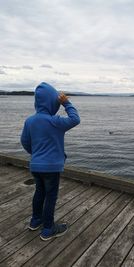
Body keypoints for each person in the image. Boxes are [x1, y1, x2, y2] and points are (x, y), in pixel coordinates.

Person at [21, 82, 80, 241]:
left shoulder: (30, 121)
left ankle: (35, 221)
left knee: (39, 193)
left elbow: (25, 142)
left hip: (35, 165)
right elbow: (75, 119)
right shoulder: (56, 121)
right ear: (52, 103)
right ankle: (48, 229)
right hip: (52, 168)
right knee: (50, 197)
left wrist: (36, 155)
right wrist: (66, 103)